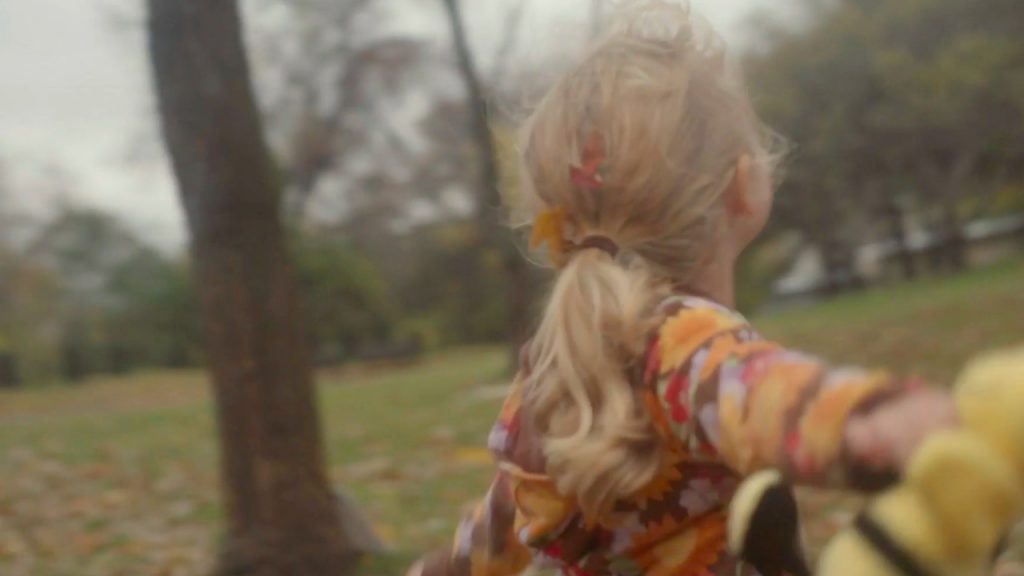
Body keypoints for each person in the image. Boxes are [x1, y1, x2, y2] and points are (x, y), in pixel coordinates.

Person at [410, 2, 962, 574]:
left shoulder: (556, 362)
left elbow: (506, 520)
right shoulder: (680, 342)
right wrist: (886, 423)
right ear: (743, 187)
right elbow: (764, 399)